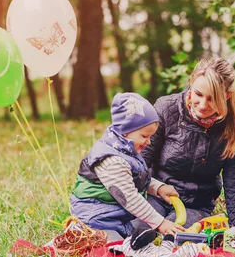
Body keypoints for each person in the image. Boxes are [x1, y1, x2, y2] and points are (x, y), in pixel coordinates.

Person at [130, 57, 235, 249]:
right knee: (137, 230)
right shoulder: (166, 108)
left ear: (227, 96)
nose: (203, 104)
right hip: (156, 195)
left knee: (177, 238)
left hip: (196, 204)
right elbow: (139, 161)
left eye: (212, 98)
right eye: (198, 94)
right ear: (191, 84)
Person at [69, 92, 184, 242]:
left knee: (137, 239)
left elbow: (135, 178)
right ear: (126, 131)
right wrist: (160, 222)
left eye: (150, 137)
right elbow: (129, 197)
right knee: (111, 248)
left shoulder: (126, 149)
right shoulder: (111, 160)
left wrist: (158, 187)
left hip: (115, 218)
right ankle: (81, 234)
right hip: (95, 221)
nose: (148, 142)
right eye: (144, 136)